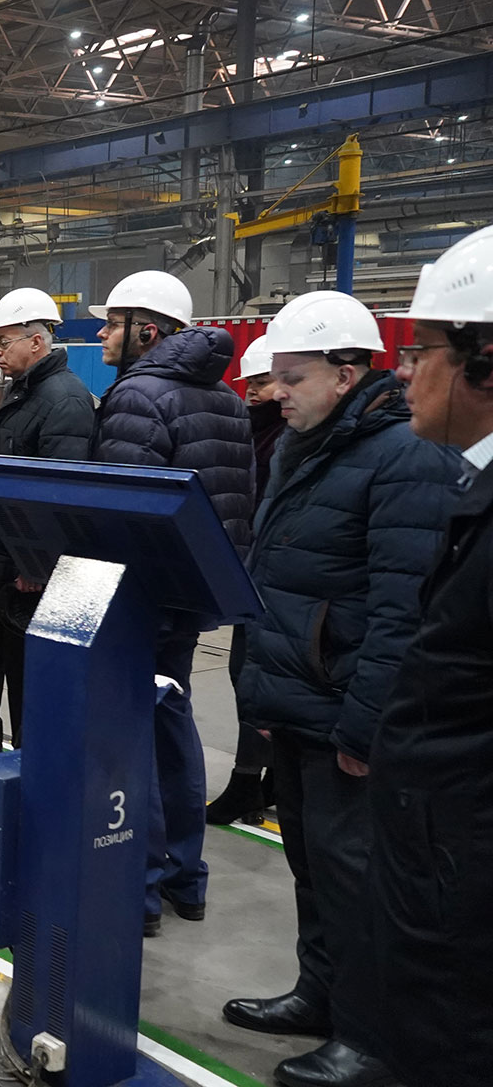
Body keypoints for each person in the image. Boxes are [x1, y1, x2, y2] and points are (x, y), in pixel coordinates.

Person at [221, 291, 456, 1087]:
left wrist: (365, 726)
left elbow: (403, 612)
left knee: (356, 878)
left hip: (344, 714)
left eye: (293, 378)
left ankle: (370, 1036)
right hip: (296, 701)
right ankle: (319, 994)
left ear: (348, 374)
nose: (276, 392)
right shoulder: (304, 446)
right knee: (312, 865)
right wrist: (262, 696)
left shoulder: (403, 458)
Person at [333, 226, 492, 1087]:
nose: (404, 372)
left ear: (485, 363)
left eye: (420, 351)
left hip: (461, 872)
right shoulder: (472, 485)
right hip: (440, 857)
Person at [89, 268, 254, 936]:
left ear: (148, 332)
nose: (103, 335)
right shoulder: (227, 399)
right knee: (174, 723)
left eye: (113, 323)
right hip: (195, 594)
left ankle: (142, 888)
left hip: (143, 597)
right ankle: (187, 877)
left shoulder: (138, 395)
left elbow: (121, 514)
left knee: (136, 737)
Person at [0, 288, 96, 757]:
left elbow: (61, 495)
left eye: (4, 342)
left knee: (28, 687)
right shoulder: (24, 391)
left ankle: (27, 775)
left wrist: (36, 564)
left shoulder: (65, 400)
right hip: (3, 565)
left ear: (36, 342)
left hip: (31, 578)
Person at [208, 334, 288, 825]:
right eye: (249, 383)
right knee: (247, 674)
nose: (252, 391)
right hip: (253, 571)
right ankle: (266, 778)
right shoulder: (255, 431)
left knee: (252, 674)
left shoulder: (284, 440)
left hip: (272, 577)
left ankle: (247, 782)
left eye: (262, 382)